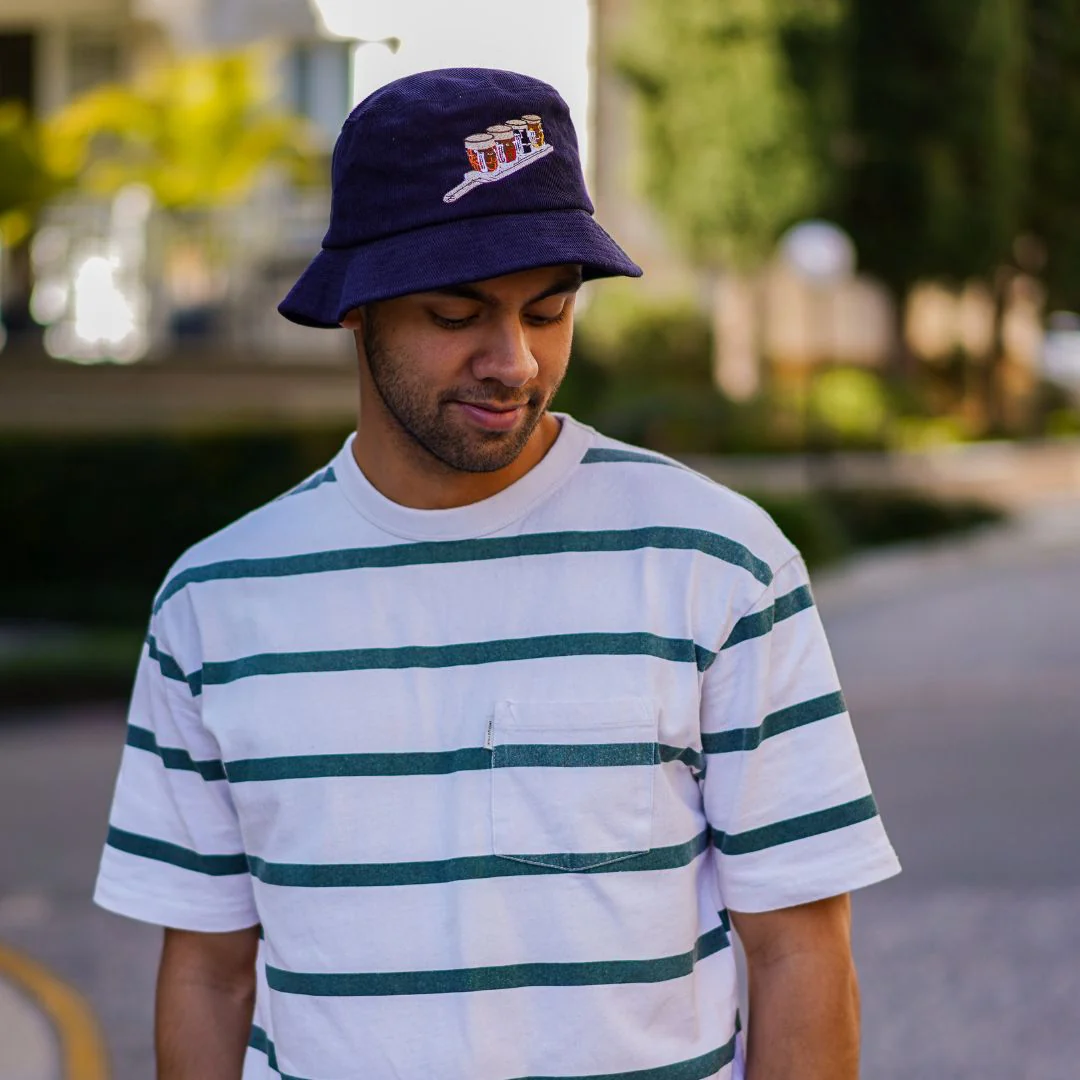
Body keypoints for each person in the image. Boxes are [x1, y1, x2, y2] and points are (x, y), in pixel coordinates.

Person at [95, 68, 900, 1080]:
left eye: (549, 310)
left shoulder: (717, 562)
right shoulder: (214, 608)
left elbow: (800, 947)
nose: (513, 359)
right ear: (357, 308)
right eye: (455, 313)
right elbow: (209, 972)